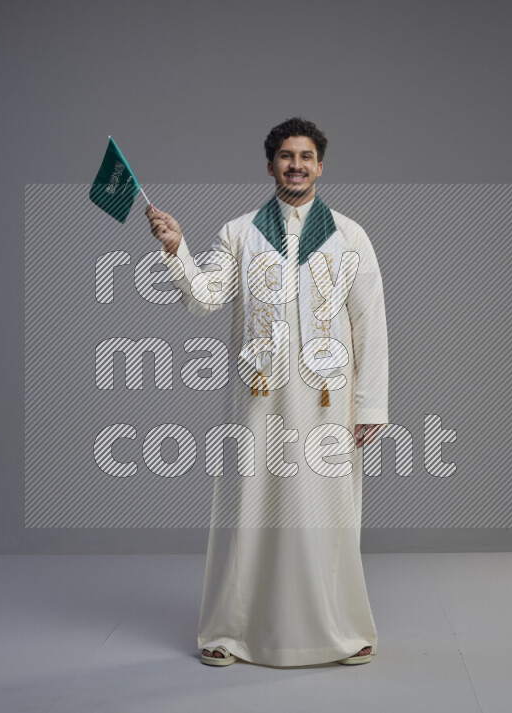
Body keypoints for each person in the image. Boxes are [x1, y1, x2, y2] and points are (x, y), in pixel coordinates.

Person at [146, 117, 389, 667]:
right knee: (247, 511)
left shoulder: (350, 236)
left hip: (329, 400)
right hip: (258, 401)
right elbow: (205, 298)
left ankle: (342, 629)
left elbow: (370, 322)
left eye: (306, 157)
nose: (296, 165)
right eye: (285, 156)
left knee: (328, 515)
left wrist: (371, 404)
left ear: (320, 166)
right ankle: (230, 632)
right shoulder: (240, 233)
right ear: (270, 164)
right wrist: (177, 248)